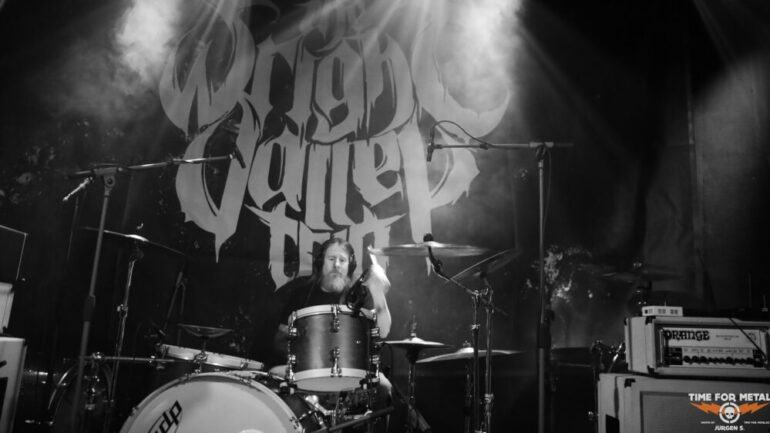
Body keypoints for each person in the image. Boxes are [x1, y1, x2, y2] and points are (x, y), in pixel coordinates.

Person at [269, 237, 393, 430]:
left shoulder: (359, 294)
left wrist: (378, 293)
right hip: (307, 369)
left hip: (352, 371)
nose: (337, 265)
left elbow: (384, 330)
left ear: (350, 265)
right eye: (331, 259)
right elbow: (279, 341)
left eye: (342, 260)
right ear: (321, 263)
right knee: (273, 377)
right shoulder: (300, 294)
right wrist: (298, 355)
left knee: (384, 386)